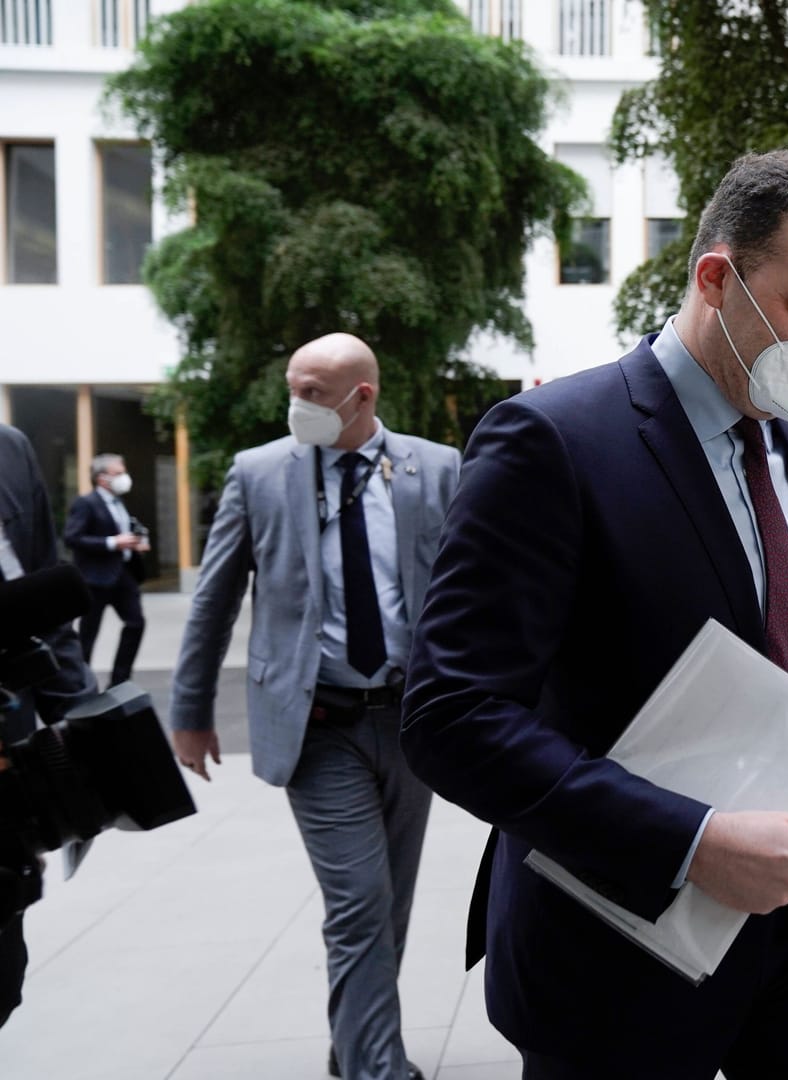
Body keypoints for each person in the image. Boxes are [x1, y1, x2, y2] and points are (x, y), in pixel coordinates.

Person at [400, 150, 788, 1080]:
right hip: (612, 941)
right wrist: (690, 843)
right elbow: (451, 718)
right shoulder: (552, 441)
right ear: (717, 279)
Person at [169, 333, 461, 1080]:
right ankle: (376, 1068)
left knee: (390, 899)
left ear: (362, 397)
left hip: (410, 720)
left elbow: (470, 589)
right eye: (292, 389)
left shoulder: (435, 469)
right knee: (359, 900)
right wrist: (190, 710)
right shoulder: (260, 473)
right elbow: (214, 599)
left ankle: (354, 1039)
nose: (296, 405)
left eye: (312, 393)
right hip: (317, 725)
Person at [0, 422, 97, 1029]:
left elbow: (44, 588)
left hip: (9, 753)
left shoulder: (10, 448)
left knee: (3, 978)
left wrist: (78, 719)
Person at [63, 452, 151, 686]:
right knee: (88, 634)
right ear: (102, 478)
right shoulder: (85, 503)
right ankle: (81, 683)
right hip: (95, 578)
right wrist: (113, 542)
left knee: (136, 623)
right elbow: (72, 538)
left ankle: (120, 680)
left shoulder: (119, 503)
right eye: (119, 473)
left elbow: (125, 531)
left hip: (123, 574)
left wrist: (135, 542)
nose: (125, 477)